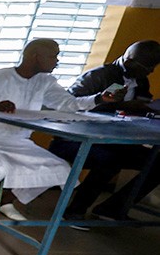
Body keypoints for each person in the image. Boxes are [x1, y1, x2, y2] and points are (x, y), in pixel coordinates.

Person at [0, 39, 121, 220]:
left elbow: (69, 104)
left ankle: (4, 201)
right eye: (52, 56)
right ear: (34, 56)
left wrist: (100, 99)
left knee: (60, 168)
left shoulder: (45, 82)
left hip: (21, 142)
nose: (56, 61)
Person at [48, 40, 160, 220]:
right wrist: (121, 105)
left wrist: (145, 108)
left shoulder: (140, 81)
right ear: (130, 61)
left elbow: (139, 105)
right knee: (111, 159)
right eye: (147, 67)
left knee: (156, 161)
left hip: (113, 140)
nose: (151, 71)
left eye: (154, 66)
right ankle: (74, 211)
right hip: (74, 139)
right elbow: (70, 105)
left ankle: (113, 208)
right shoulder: (98, 76)